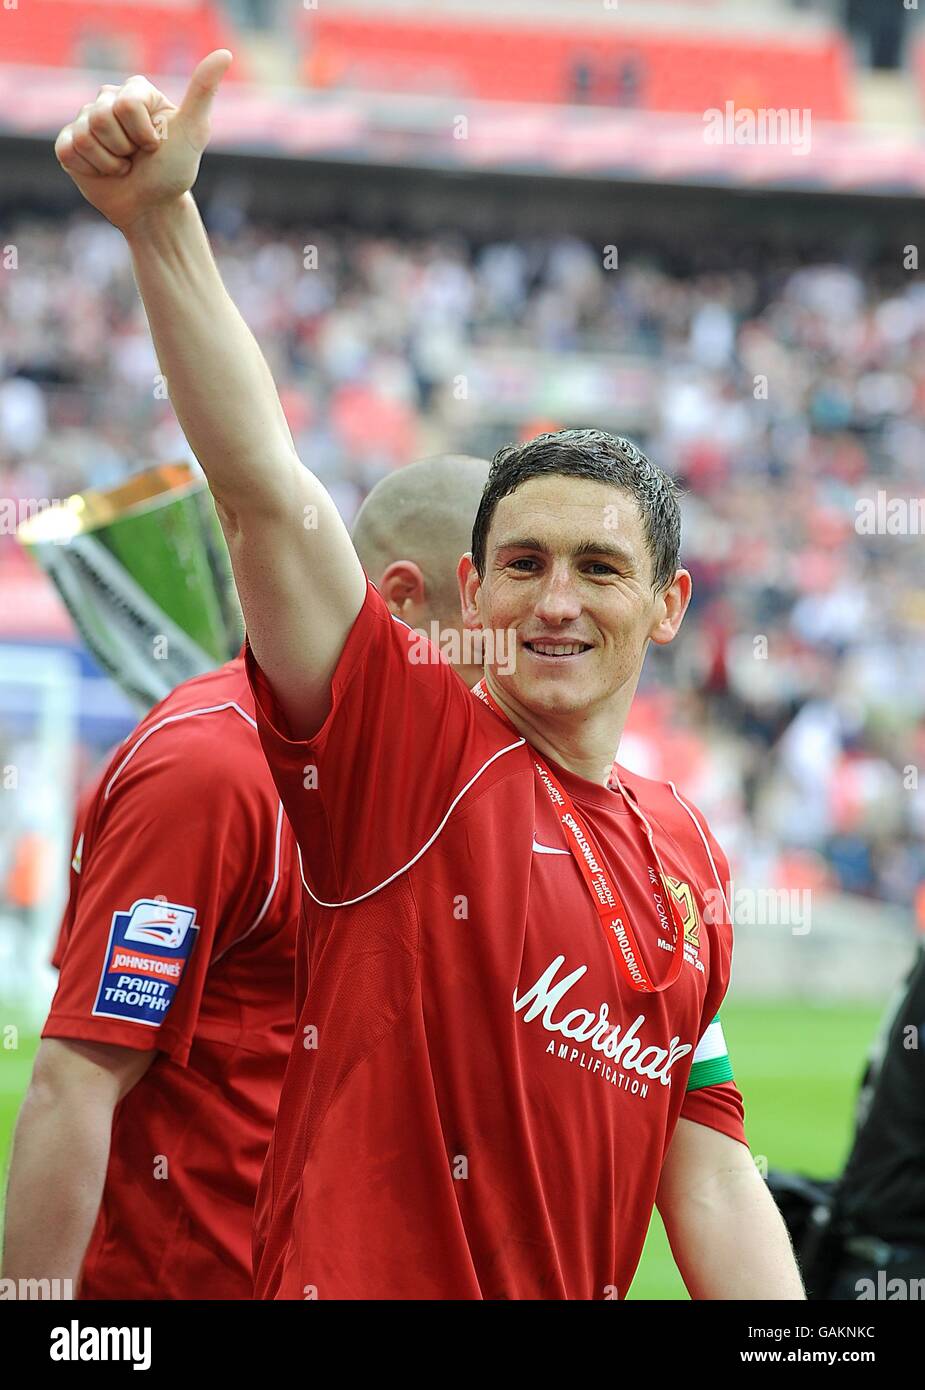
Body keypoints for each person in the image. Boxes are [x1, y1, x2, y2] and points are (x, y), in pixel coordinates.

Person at [51, 51, 805, 1300]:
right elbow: (264, 494)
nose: (556, 599)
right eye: (522, 562)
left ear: (668, 608)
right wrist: (162, 222)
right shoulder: (411, 754)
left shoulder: (689, 860)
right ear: (474, 589)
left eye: (597, 568)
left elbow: (711, 1171)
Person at [1, 454, 489, 1299]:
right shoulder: (212, 770)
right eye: (512, 579)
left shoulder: (458, 776)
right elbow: (78, 1080)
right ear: (409, 600)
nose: (551, 612)